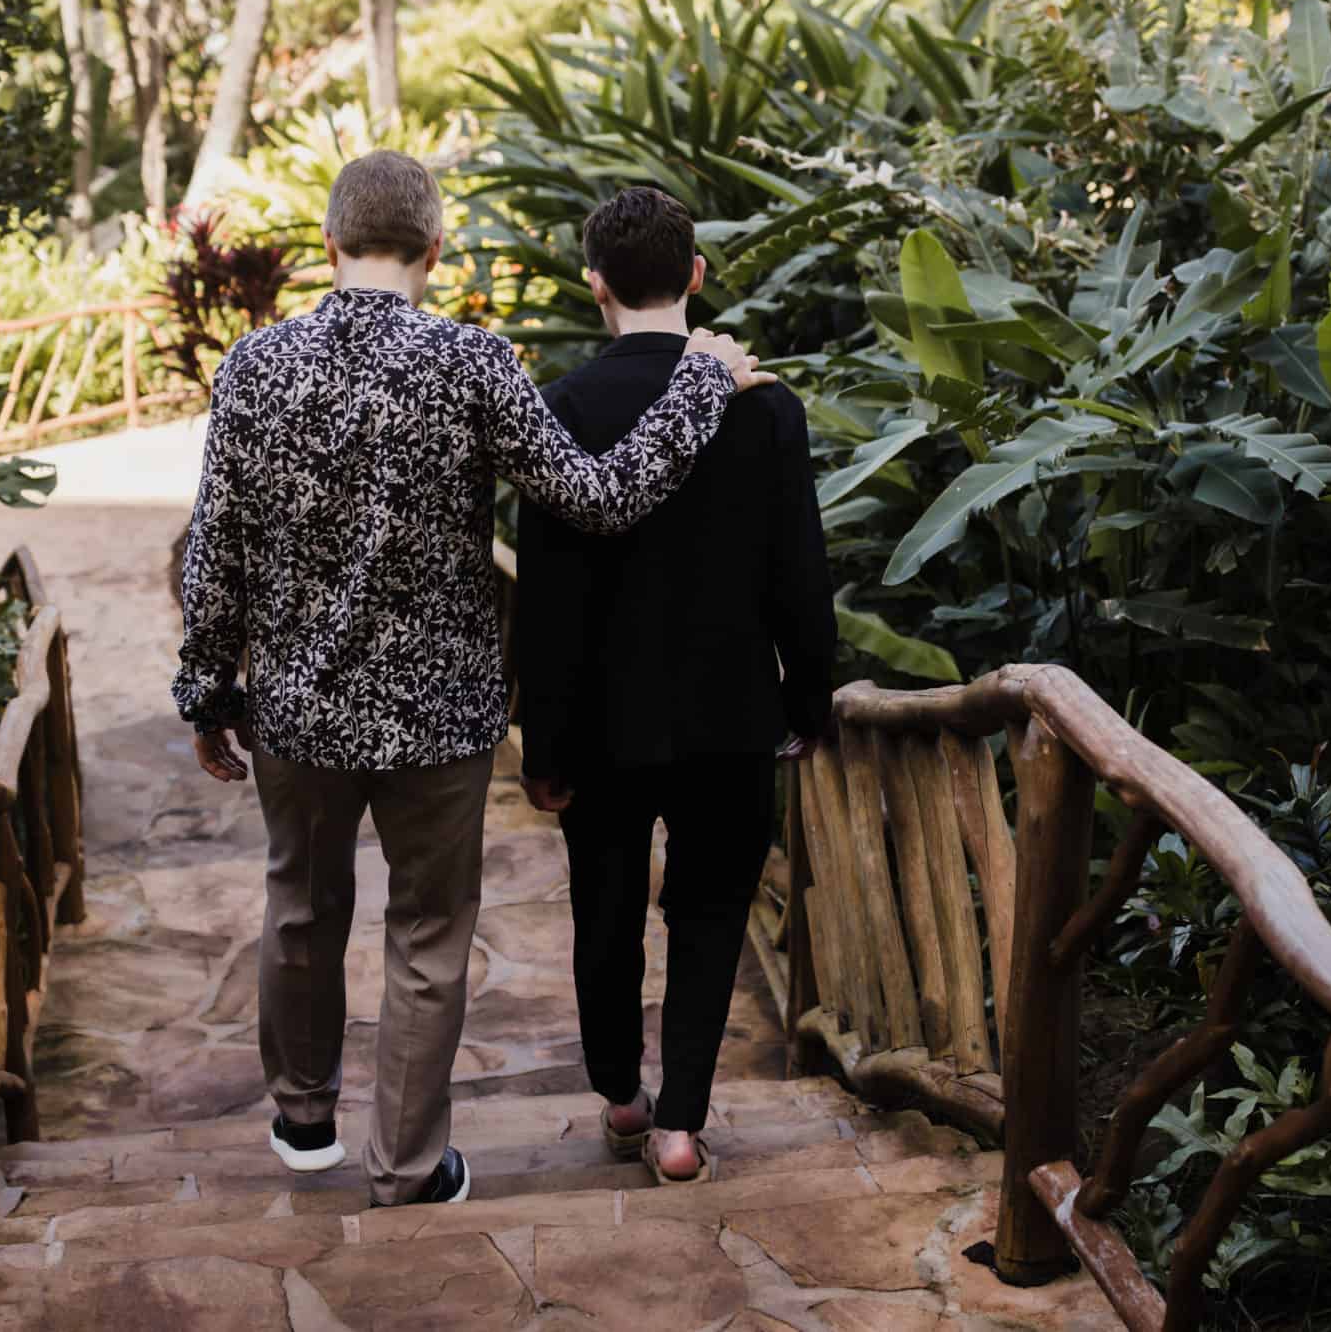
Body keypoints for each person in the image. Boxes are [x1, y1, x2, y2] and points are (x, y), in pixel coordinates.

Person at [171, 151, 774, 1208]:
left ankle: (303, 1119)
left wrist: (207, 686)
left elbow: (213, 545)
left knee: (300, 907)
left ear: (328, 245)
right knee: (426, 931)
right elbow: (596, 497)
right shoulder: (471, 361)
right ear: (435, 250)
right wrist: (701, 382)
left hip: (300, 710)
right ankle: (405, 1165)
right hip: (438, 718)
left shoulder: (254, 366)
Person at [514, 185, 836, 1186]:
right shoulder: (766, 405)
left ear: (594, 281)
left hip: (602, 726)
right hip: (729, 714)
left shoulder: (561, 407)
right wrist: (808, 701)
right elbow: (800, 574)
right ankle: (682, 1127)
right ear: (696, 274)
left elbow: (546, 599)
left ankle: (619, 1093)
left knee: (602, 910)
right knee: (709, 914)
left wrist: (544, 740)